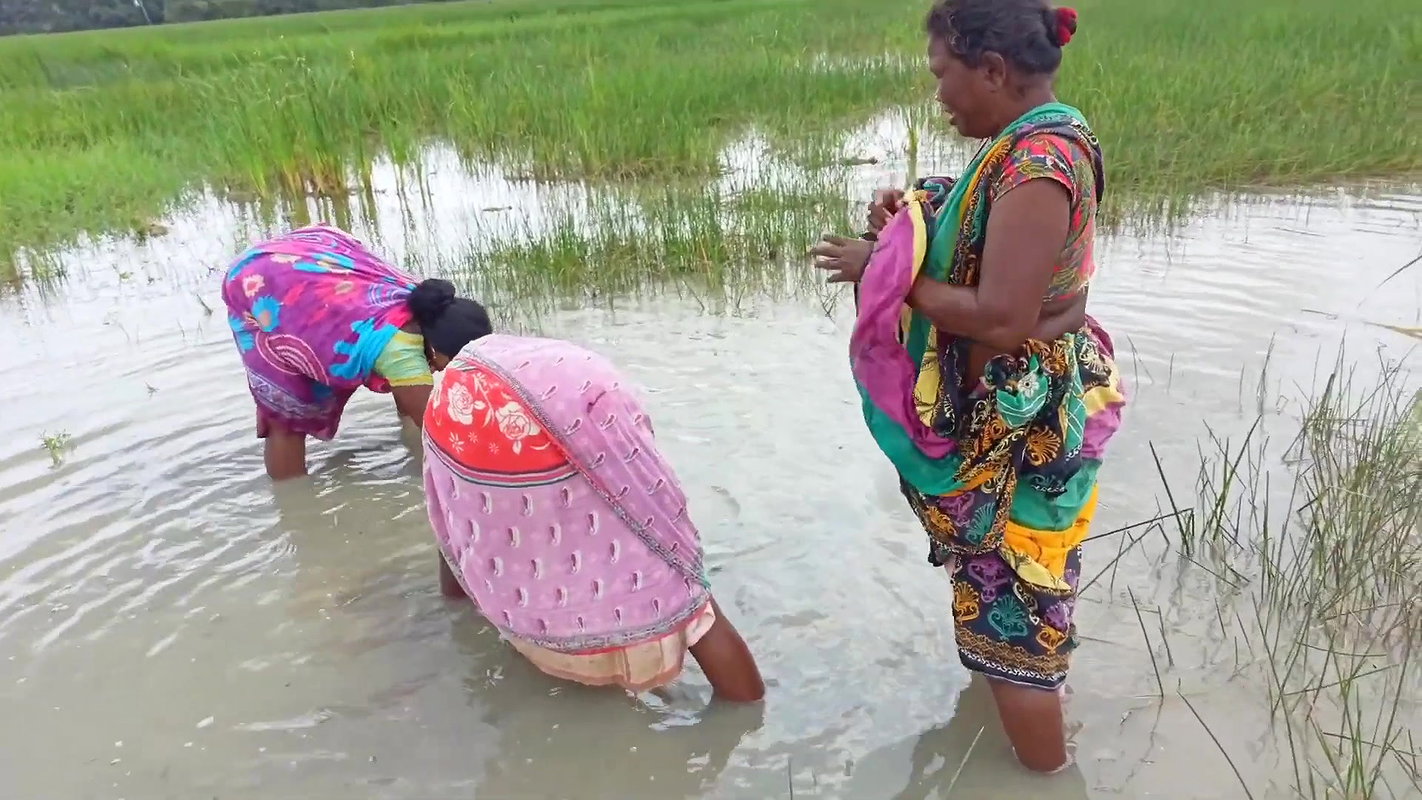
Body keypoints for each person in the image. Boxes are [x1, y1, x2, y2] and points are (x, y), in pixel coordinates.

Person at [811, 0, 1126, 774]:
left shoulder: (1040, 164)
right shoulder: (1030, 145)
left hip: (1019, 439)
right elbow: (991, 232)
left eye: (944, 76)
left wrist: (887, 270)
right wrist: (915, 215)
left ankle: (1047, 780)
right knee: (1008, 609)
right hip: (1013, 427)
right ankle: (1028, 724)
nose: (941, 95)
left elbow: (1002, 317)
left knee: (1015, 625)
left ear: (992, 70)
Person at [420, 334, 765, 703]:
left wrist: (456, 605)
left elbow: (450, 513)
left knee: (546, 547)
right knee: (690, 604)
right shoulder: (570, 383)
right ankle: (747, 719)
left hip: (537, 489)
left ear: (436, 350)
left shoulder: (455, 397)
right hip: (585, 415)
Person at [221, 225, 492, 479]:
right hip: (257, 282)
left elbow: (412, 387)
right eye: (450, 362)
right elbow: (441, 434)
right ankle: (293, 504)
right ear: (434, 346)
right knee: (285, 415)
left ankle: (408, 437)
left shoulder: (428, 303)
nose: (447, 370)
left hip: (307, 257)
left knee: (405, 380)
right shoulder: (400, 352)